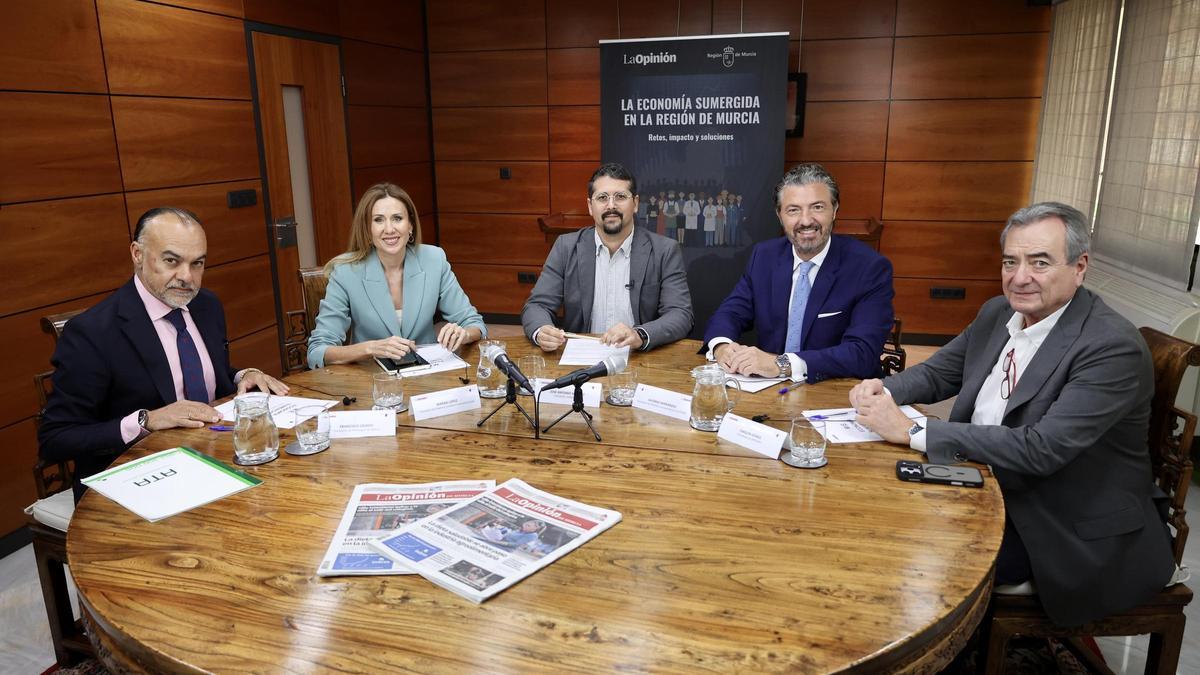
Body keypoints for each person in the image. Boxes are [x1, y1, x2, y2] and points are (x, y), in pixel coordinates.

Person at [850, 202, 1175, 628]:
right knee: (867, 518)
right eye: (1011, 261)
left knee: (910, 558)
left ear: (1080, 267)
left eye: (1039, 262)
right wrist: (881, 389)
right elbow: (938, 372)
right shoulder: (999, 312)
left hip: (1062, 522)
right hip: (982, 481)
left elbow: (1042, 450)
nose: (1019, 277)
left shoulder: (1110, 347)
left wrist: (914, 429)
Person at [38, 207, 288, 501]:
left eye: (198, 263)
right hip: (137, 480)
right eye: (172, 261)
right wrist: (145, 420)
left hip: (213, 461)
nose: (187, 277)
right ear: (137, 254)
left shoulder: (206, 305)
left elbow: (202, 374)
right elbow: (56, 438)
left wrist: (242, 375)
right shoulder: (93, 331)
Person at [702, 163, 894, 383]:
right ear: (779, 215)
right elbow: (731, 313)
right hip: (769, 389)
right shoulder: (764, 256)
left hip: (837, 390)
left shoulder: (869, 268)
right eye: (793, 210)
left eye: (817, 207)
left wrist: (781, 364)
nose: (805, 220)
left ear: (835, 210)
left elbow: (862, 352)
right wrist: (721, 346)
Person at [307, 183, 486, 368]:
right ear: (367, 230)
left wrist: (463, 334)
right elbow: (318, 350)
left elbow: (474, 324)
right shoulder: (345, 272)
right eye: (378, 220)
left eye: (397, 218)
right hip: (372, 381)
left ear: (410, 226)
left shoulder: (434, 259)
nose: (389, 229)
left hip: (428, 377)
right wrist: (370, 348)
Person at [521, 163, 694, 352]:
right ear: (590, 206)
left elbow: (680, 314)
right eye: (602, 198)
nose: (611, 205)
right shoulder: (566, 247)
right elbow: (537, 306)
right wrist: (542, 330)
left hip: (640, 357)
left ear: (635, 204)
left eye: (620, 197)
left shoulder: (665, 250)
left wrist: (640, 335)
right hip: (581, 357)